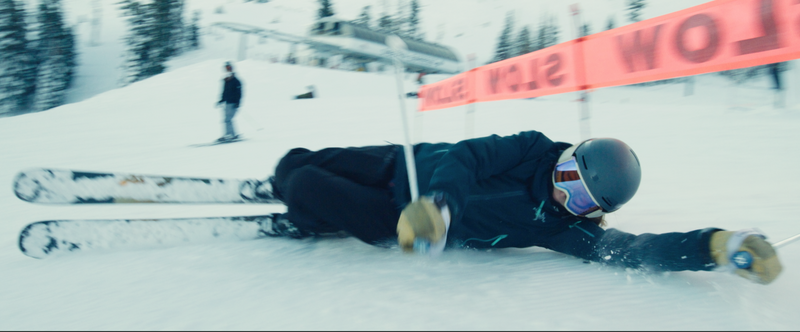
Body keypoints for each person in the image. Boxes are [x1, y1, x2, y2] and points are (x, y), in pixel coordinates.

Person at [258, 130, 782, 285]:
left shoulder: (561, 229)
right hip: (412, 169)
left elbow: (637, 250)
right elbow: (467, 157)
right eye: (567, 175)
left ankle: (306, 216)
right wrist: (439, 204)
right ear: (567, 155)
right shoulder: (532, 148)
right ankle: (280, 186)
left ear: (590, 212)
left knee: (307, 185)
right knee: (295, 161)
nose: (562, 193)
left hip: (397, 219)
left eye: (578, 198)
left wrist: (716, 246)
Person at [217, 61, 242, 142]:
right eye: (226, 68)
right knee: (227, 119)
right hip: (228, 103)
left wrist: (237, 102)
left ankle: (230, 134)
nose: (227, 69)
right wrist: (221, 100)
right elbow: (224, 92)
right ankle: (232, 134)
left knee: (228, 119)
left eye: (229, 67)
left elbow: (239, 93)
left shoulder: (236, 81)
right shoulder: (226, 81)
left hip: (233, 103)